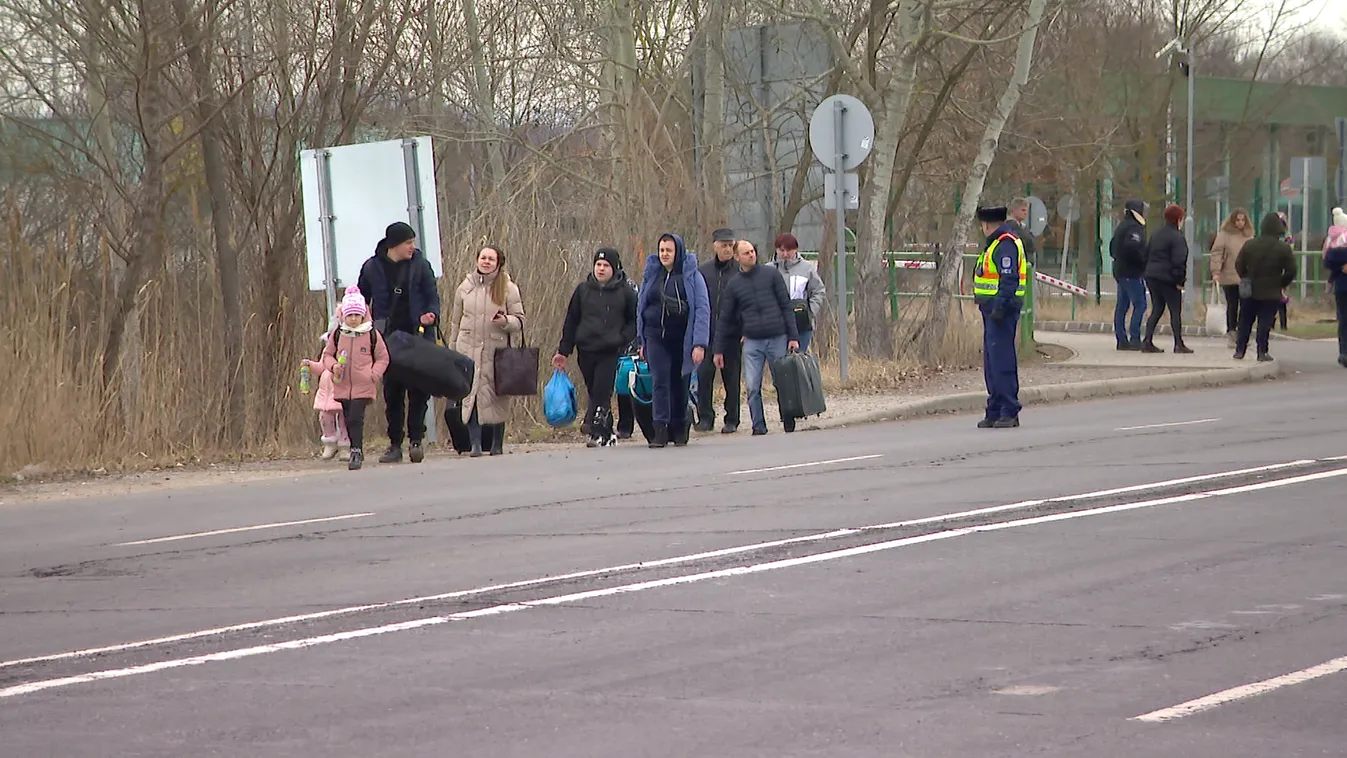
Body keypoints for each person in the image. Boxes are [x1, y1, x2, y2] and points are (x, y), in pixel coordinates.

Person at [357, 221, 440, 465]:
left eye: (413, 242)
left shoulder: (421, 265)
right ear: (394, 245)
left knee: (419, 390)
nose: (412, 247)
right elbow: (360, 301)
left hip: (419, 335)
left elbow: (432, 295)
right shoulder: (372, 268)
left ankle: (416, 440)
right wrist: (364, 328)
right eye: (408, 243)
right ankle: (395, 444)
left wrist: (431, 314)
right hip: (388, 339)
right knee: (393, 392)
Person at [553, 247, 638, 447]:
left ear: (614, 268)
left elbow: (634, 320)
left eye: (606, 266)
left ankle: (596, 430)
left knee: (602, 390)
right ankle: (607, 431)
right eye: (598, 265)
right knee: (593, 391)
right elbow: (571, 321)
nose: (601, 269)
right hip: (586, 349)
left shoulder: (625, 291)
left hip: (610, 350)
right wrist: (564, 350)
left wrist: (623, 338)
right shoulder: (583, 290)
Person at [714, 239, 800, 436]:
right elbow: (725, 318)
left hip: (777, 335)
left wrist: (792, 336)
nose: (751, 255)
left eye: (752, 251)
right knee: (753, 385)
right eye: (746, 253)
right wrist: (718, 349)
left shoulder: (770, 274)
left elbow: (786, 306)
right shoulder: (734, 285)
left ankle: (787, 417)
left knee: (782, 381)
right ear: (737, 258)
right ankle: (758, 425)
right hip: (752, 340)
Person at [302, 286, 390, 470]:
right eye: (350, 316)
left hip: (363, 384)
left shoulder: (371, 334)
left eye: (357, 315)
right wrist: (333, 367)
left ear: (363, 316)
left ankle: (356, 450)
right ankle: (352, 446)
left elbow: (383, 357)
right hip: (341, 385)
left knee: (356, 417)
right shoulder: (338, 334)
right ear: (344, 316)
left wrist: (373, 374)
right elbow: (327, 355)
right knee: (348, 418)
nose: (353, 319)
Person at [450, 245, 526, 457]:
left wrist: (505, 321)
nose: (486, 262)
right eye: (483, 258)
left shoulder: (508, 288)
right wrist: (453, 349)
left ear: (498, 263)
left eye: (490, 259)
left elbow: (520, 320)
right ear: (476, 260)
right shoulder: (465, 287)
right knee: (471, 397)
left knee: (496, 397)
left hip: (497, 352)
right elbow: (456, 321)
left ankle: (496, 443)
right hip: (468, 350)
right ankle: (474, 444)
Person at [637, 233, 710, 448]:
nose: (665, 254)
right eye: (662, 250)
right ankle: (659, 428)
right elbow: (641, 307)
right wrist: (642, 340)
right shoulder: (652, 275)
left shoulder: (692, 276)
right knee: (659, 380)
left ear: (678, 251)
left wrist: (699, 343)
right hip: (655, 336)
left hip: (681, 338)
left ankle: (679, 425)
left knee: (680, 383)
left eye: (669, 250)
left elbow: (702, 309)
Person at [972, 206, 1027, 429]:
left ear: (986, 225)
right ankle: (994, 409)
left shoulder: (1005, 244)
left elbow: (1009, 279)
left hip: (1001, 311)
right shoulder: (996, 243)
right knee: (992, 363)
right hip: (992, 309)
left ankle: (1009, 410)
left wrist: (1001, 307)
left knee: (1002, 361)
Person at [694, 227, 742, 434]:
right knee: (704, 377)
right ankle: (705, 417)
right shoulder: (703, 272)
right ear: (715, 246)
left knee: (732, 378)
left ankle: (732, 418)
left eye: (730, 246)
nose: (727, 250)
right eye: (723, 246)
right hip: (708, 333)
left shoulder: (740, 272)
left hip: (732, 334)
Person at [1233, 212, 1297, 362]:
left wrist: (1246, 277)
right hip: (1271, 291)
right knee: (1265, 322)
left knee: (1245, 320)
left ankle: (1239, 350)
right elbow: (1292, 270)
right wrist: (1282, 283)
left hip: (1251, 290)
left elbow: (1239, 264)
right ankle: (1262, 351)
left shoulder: (1250, 244)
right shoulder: (1283, 248)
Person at [1140, 204, 1193, 354]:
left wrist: (1147, 271)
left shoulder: (1156, 234)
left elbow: (1146, 254)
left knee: (1157, 308)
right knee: (1175, 310)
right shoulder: (1177, 237)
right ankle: (1178, 343)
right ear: (1178, 219)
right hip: (1168, 278)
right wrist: (1179, 281)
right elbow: (1179, 260)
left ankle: (1147, 341)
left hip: (1152, 276)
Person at [770, 233, 826, 354]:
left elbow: (818, 291)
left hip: (801, 323)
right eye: (781, 250)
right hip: (776, 323)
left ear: (796, 250)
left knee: (798, 361)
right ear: (776, 250)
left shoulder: (807, 268)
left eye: (789, 250)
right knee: (779, 361)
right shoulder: (768, 269)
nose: (785, 254)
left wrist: (810, 311)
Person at [1209, 208, 1254, 347]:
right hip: (1229, 275)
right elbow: (1217, 252)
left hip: (1245, 276)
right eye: (1238, 220)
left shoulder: (1249, 235)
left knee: (1246, 306)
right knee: (1232, 305)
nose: (1240, 223)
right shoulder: (1225, 235)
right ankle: (1232, 333)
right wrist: (1216, 271)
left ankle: (1243, 334)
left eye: (1242, 220)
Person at [1109, 199, 1148, 350]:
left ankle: (1121, 339)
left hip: (1120, 270)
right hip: (1131, 272)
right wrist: (1143, 261)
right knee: (1140, 304)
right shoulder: (1134, 228)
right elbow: (1133, 248)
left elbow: (1112, 247)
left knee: (1122, 306)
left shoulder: (1122, 226)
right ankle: (1135, 338)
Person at [311, 314, 350, 460]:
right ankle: (330, 442)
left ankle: (345, 446)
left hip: (340, 388)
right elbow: (321, 367)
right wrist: (310, 365)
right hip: (326, 392)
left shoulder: (347, 350)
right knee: (325, 417)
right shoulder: (327, 351)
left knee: (344, 419)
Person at [1324, 207, 1347, 367]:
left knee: (1344, 320)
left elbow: (1327, 261)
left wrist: (1339, 268)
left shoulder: (1330, 241)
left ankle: (1344, 352)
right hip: (1342, 285)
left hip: (1341, 285)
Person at [1008, 197, 1038, 268]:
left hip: (1025, 267)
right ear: (1014, 210)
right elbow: (1028, 242)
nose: (1025, 213)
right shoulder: (1010, 226)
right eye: (1023, 210)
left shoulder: (1024, 227)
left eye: (1026, 211)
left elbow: (1032, 244)